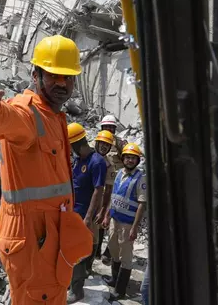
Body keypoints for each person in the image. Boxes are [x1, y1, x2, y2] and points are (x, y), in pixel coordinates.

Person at [0, 35, 93, 305]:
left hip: (46, 235)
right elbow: (8, 121)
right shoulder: (29, 112)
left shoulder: (53, 116)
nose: (62, 83)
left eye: (68, 77)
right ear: (36, 74)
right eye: (53, 75)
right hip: (34, 239)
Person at [67, 123, 107, 303]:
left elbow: (98, 191)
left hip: (83, 215)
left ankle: (77, 290)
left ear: (77, 144)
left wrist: (88, 218)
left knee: (79, 253)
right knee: (68, 250)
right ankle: (69, 282)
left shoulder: (97, 162)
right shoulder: (78, 160)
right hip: (71, 212)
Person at [101, 143, 146, 300]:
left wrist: (135, 228)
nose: (130, 160)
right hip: (114, 220)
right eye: (127, 157)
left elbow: (142, 204)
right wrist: (107, 215)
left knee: (125, 256)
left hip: (127, 224)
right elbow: (113, 196)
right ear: (123, 158)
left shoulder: (141, 179)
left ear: (137, 160)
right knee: (114, 251)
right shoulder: (119, 173)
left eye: (133, 158)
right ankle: (114, 280)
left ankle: (120, 291)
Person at [97, 115, 126, 263]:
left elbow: (128, 161)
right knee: (100, 215)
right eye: (106, 126)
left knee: (111, 218)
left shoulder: (120, 143)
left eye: (111, 127)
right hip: (101, 184)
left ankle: (108, 252)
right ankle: (96, 249)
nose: (109, 129)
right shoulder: (98, 140)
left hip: (117, 186)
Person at [92, 130, 119, 263]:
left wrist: (104, 210)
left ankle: (94, 255)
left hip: (99, 198)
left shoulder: (109, 165)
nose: (103, 146)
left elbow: (108, 189)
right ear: (96, 143)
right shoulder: (88, 156)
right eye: (101, 143)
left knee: (97, 228)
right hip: (84, 196)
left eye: (106, 145)